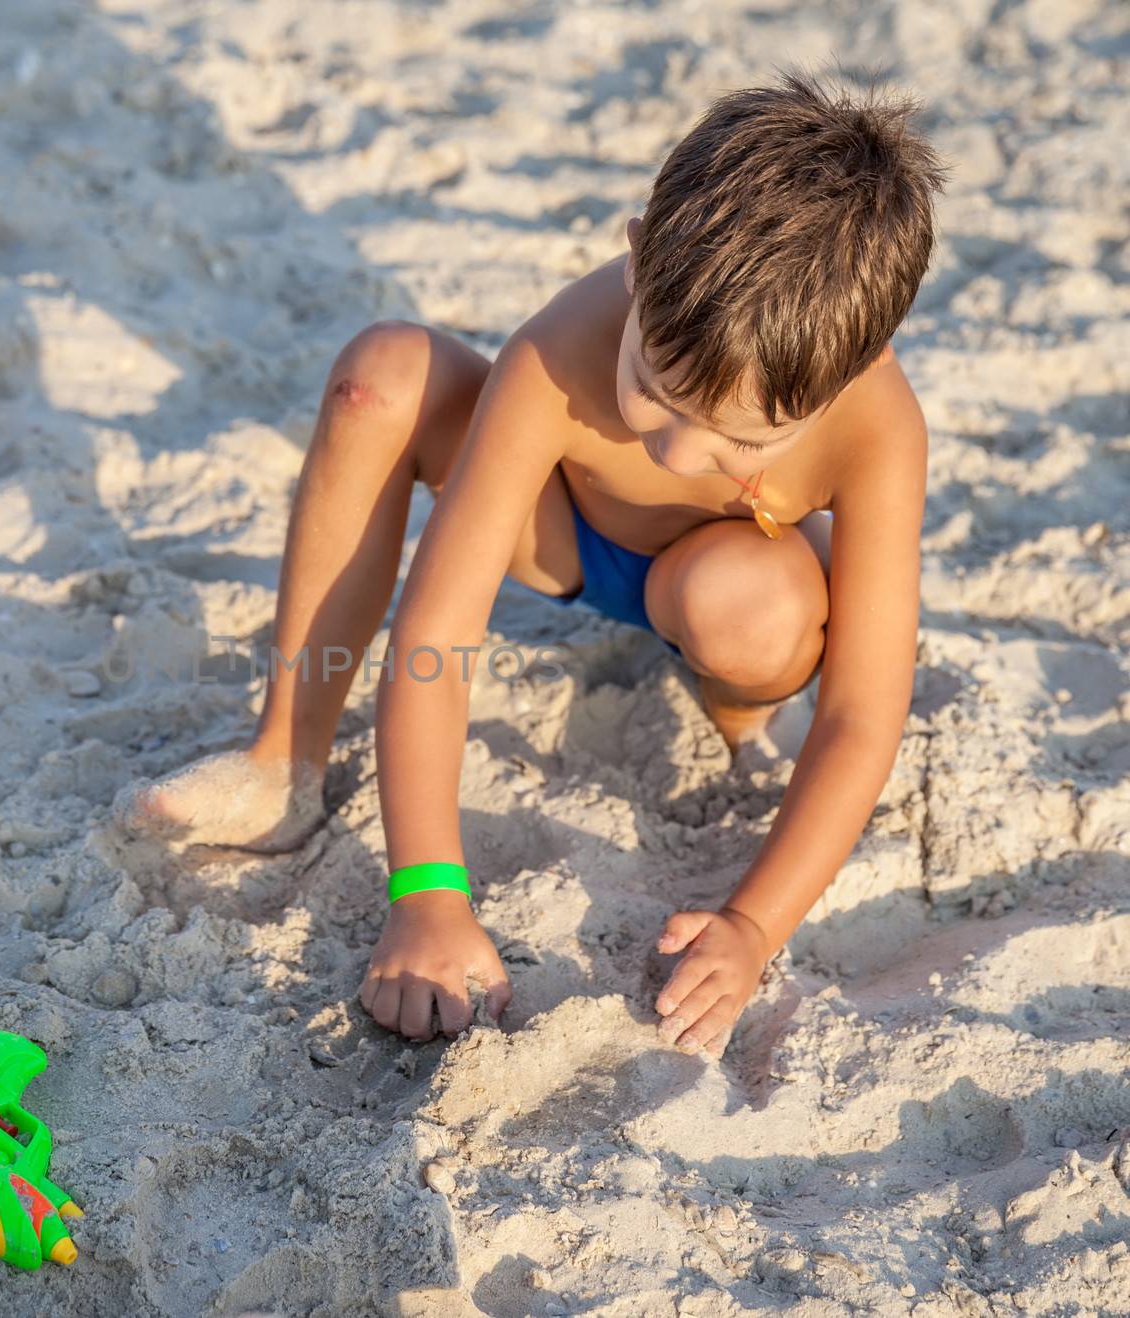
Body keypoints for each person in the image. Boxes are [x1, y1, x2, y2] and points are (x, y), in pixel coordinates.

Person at [113, 70, 947, 1057]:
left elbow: (862, 713)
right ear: (636, 262)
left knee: (742, 604)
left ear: (852, 373)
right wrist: (427, 891)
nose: (678, 451)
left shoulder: (878, 427)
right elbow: (435, 635)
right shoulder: (562, 346)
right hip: (564, 535)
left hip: (732, 583)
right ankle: (280, 758)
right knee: (380, 374)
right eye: (653, 390)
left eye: (738, 440)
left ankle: (738, 720)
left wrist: (752, 925)